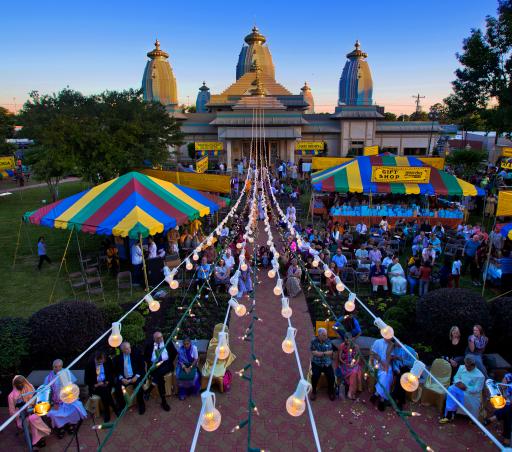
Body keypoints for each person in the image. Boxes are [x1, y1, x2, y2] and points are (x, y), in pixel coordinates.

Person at [44, 360, 87, 437]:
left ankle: (70, 424)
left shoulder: (67, 373)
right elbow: (47, 392)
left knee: (75, 407)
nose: (58, 368)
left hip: (68, 399)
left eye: (60, 366)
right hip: (56, 401)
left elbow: (73, 386)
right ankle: (61, 427)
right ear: (52, 367)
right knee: (54, 413)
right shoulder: (48, 378)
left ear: (62, 366)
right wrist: (52, 403)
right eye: (55, 367)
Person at [8, 375, 51, 450]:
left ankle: (36, 442)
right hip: (21, 418)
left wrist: (34, 405)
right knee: (32, 419)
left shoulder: (29, 387)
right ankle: (38, 440)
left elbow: (36, 399)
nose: (21, 385)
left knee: (33, 418)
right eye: (18, 384)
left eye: (22, 383)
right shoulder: (11, 396)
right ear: (15, 384)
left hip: (33, 411)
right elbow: (12, 412)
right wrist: (21, 412)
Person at [439, 356, 485, 423]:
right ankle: (449, 415)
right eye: (466, 366)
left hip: (470, 394)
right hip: (459, 388)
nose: (466, 368)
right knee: (451, 389)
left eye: (469, 367)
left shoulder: (480, 376)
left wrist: (466, 388)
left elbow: (477, 389)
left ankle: (460, 414)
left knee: (457, 393)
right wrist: (458, 382)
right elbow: (456, 377)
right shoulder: (462, 367)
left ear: (474, 366)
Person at [144, 331, 178, 411]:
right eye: (158, 338)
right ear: (154, 339)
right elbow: (146, 357)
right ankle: (163, 401)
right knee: (160, 378)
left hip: (166, 364)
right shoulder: (149, 345)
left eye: (161, 337)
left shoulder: (167, 342)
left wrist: (170, 362)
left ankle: (149, 390)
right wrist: (151, 364)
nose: (160, 339)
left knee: (158, 375)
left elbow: (174, 353)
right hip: (154, 365)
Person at [113, 342, 146, 415]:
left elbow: (141, 366)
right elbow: (116, 371)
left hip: (134, 376)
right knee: (118, 389)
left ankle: (141, 404)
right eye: (127, 349)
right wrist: (121, 378)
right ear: (122, 350)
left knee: (139, 387)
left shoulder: (136, 354)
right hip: (124, 378)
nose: (129, 350)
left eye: (129, 348)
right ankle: (122, 406)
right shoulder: (118, 358)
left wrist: (136, 376)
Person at [85, 351, 118, 422]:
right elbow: (87, 380)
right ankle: (113, 408)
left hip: (106, 382)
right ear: (96, 359)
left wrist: (108, 381)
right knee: (105, 392)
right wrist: (97, 384)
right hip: (96, 386)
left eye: (103, 361)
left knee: (105, 390)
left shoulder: (107, 360)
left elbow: (112, 373)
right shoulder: (89, 364)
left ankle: (108, 412)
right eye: (100, 362)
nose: (103, 362)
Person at [484, 373, 512, 446]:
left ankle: (492, 419)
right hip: (507, 409)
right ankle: (507, 439)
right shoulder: (500, 388)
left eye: (504, 380)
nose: (502, 381)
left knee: (508, 410)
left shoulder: (510, 388)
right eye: (503, 379)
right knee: (508, 413)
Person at [390, 341, 418, 410]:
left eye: (396, 342)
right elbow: (394, 361)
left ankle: (398, 400)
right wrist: (396, 369)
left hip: (408, 370)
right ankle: (398, 399)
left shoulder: (410, 350)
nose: (395, 344)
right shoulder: (395, 349)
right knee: (399, 379)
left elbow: (412, 363)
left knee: (401, 381)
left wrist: (401, 359)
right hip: (398, 369)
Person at [310, 328, 335, 401]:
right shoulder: (313, 341)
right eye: (324, 335)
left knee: (331, 376)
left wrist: (322, 353)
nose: (326, 337)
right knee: (315, 376)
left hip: (327, 363)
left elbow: (331, 352)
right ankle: (314, 391)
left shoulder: (328, 341)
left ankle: (330, 391)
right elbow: (314, 352)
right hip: (316, 363)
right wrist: (325, 353)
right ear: (319, 335)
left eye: (326, 335)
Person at [370, 336, 394, 411]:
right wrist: (381, 362)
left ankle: (376, 395)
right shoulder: (378, 342)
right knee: (385, 375)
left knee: (387, 374)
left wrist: (386, 365)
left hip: (386, 364)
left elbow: (389, 358)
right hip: (378, 364)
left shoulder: (391, 345)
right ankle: (382, 399)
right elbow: (372, 353)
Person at [337, 333, 362, 400]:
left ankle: (351, 392)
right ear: (344, 339)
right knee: (353, 373)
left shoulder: (356, 346)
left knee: (354, 372)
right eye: (346, 338)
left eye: (349, 338)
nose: (347, 340)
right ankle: (351, 393)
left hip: (354, 365)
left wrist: (354, 364)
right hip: (345, 365)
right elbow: (340, 358)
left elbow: (358, 358)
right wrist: (345, 363)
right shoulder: (342, 346)